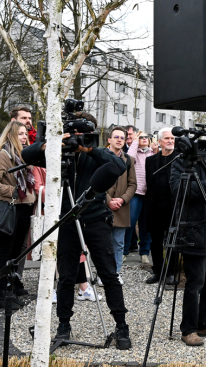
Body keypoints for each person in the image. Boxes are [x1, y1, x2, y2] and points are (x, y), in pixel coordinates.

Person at [22, 114, 131, 347]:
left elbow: (120, 166)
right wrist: (52, 144)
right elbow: (27, 154)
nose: (78, 141)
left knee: (109, 274)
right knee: (67, 277)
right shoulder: (58, 154)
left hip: (95, 219)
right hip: (67, 220)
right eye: (76, 136)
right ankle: (63, 325)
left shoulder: (98, 154)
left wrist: (89, 149)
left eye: (85, 136)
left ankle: (121, 326)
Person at [168, 137, 206, 346]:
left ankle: (203, 322)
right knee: (195, 283)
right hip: (195, 230)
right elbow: (180, 190)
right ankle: (188, 329)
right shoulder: (182, 162)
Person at [0, 121, 37, 308]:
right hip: (10, 208)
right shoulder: (3, 156)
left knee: (16, 253)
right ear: (11, 135)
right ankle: (1, 295)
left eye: (25, 133)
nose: (24, 137)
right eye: (21, 134)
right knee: (6, 252)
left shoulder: (22, 155)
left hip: (24, 208)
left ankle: (11, 289)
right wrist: (14, 191)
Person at [145, 127, 180, 285]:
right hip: (155, 206)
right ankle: (158, 271)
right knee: (155, 241)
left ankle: (171, 272)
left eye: (172, 139)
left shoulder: (180, 159)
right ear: (159, 141)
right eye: (167, 138)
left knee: (173, 240)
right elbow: (149, 183)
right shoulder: (150, 161)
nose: (171, 141)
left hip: (173, 206)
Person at [104, 126, 136, 275]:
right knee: (103, 245)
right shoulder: (101, 156)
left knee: (118, 243)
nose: (119, 140)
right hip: (103, 207)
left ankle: (115, 273)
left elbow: (133, 184)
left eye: (122, 138)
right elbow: (94, 183)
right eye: (116, 137)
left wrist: (122, 200)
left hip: (121, 208)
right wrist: (108, 200)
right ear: (109, 140)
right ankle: (103, 273)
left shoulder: (129, 160)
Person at [125, 130, 154, 265]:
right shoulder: (134, 153)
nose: (143, 139)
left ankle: (144, 253)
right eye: (141, 137)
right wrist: (135, 142)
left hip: (149, 194)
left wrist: (156, 149)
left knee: (146, 225)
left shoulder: (152, 153)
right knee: (130, 222)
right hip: (135, 193)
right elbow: (128, 159)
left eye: (145, 137)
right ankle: (124, 251)